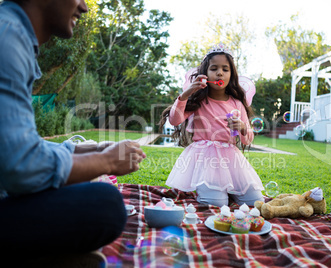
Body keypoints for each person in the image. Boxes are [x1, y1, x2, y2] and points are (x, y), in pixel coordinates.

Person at [0, 0, 146, 266]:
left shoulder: (11, 34)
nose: (85, 7)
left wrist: (97, 149)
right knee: (106, 205)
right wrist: (108, 161)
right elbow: (20, 166)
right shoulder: (7, 38)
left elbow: (19, 147)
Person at [159, 43, 264, 207]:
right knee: (215, 204)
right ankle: (217, 193)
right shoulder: (198, 100)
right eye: (214, 68)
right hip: (206, 160)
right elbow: (174, 120)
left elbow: (247, 140)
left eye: (225, 69)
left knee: (255, 201)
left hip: (231, 161)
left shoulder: (237, 103)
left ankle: (227, 191)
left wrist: (243, 127)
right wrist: (186, 95)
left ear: (231, 74)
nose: (219, 73)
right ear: (205, 73)